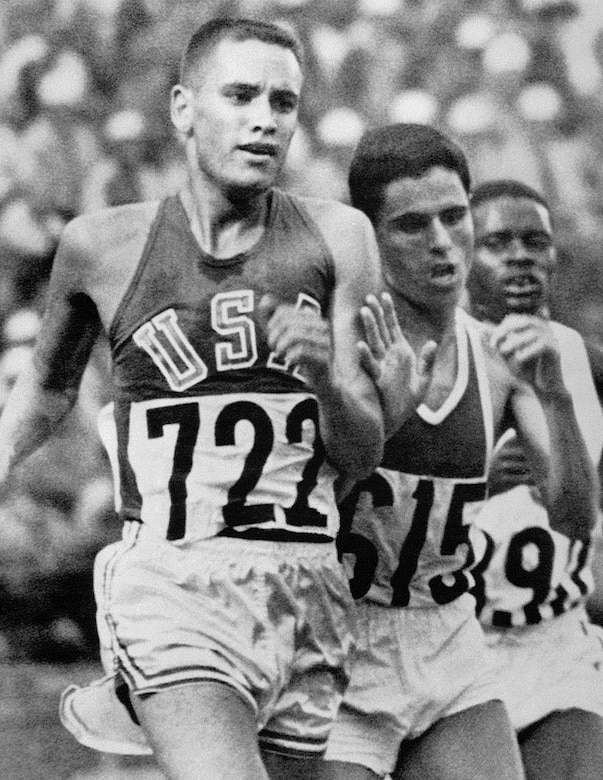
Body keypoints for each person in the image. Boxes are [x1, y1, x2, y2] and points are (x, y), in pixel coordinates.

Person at [0, 17, 397, 780]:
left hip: (304, 583)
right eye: (241, 95)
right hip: (174, 580)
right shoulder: (100, 246)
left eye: (283, 102)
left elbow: (361, 452)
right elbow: (46, 387)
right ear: (183, 108)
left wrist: (321, 381)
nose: (264, 119)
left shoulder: (339, 238)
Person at [322, 123, 599, 780]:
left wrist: (555, 400)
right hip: (339, 643)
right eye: (412, 226)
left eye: (453, 216)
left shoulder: (503, 361)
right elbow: (295, 517)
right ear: (370, 236)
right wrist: (383, 420)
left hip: (447, 635)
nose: (442, 241)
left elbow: (572, 516)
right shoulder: (343, 349)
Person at [465, 178, 603, 780]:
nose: (520, 255)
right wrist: (473, 485)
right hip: (460, 644)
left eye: (535, 241)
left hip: (554, 635)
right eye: (498, 242)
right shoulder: (435, 356)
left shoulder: (586, 359)